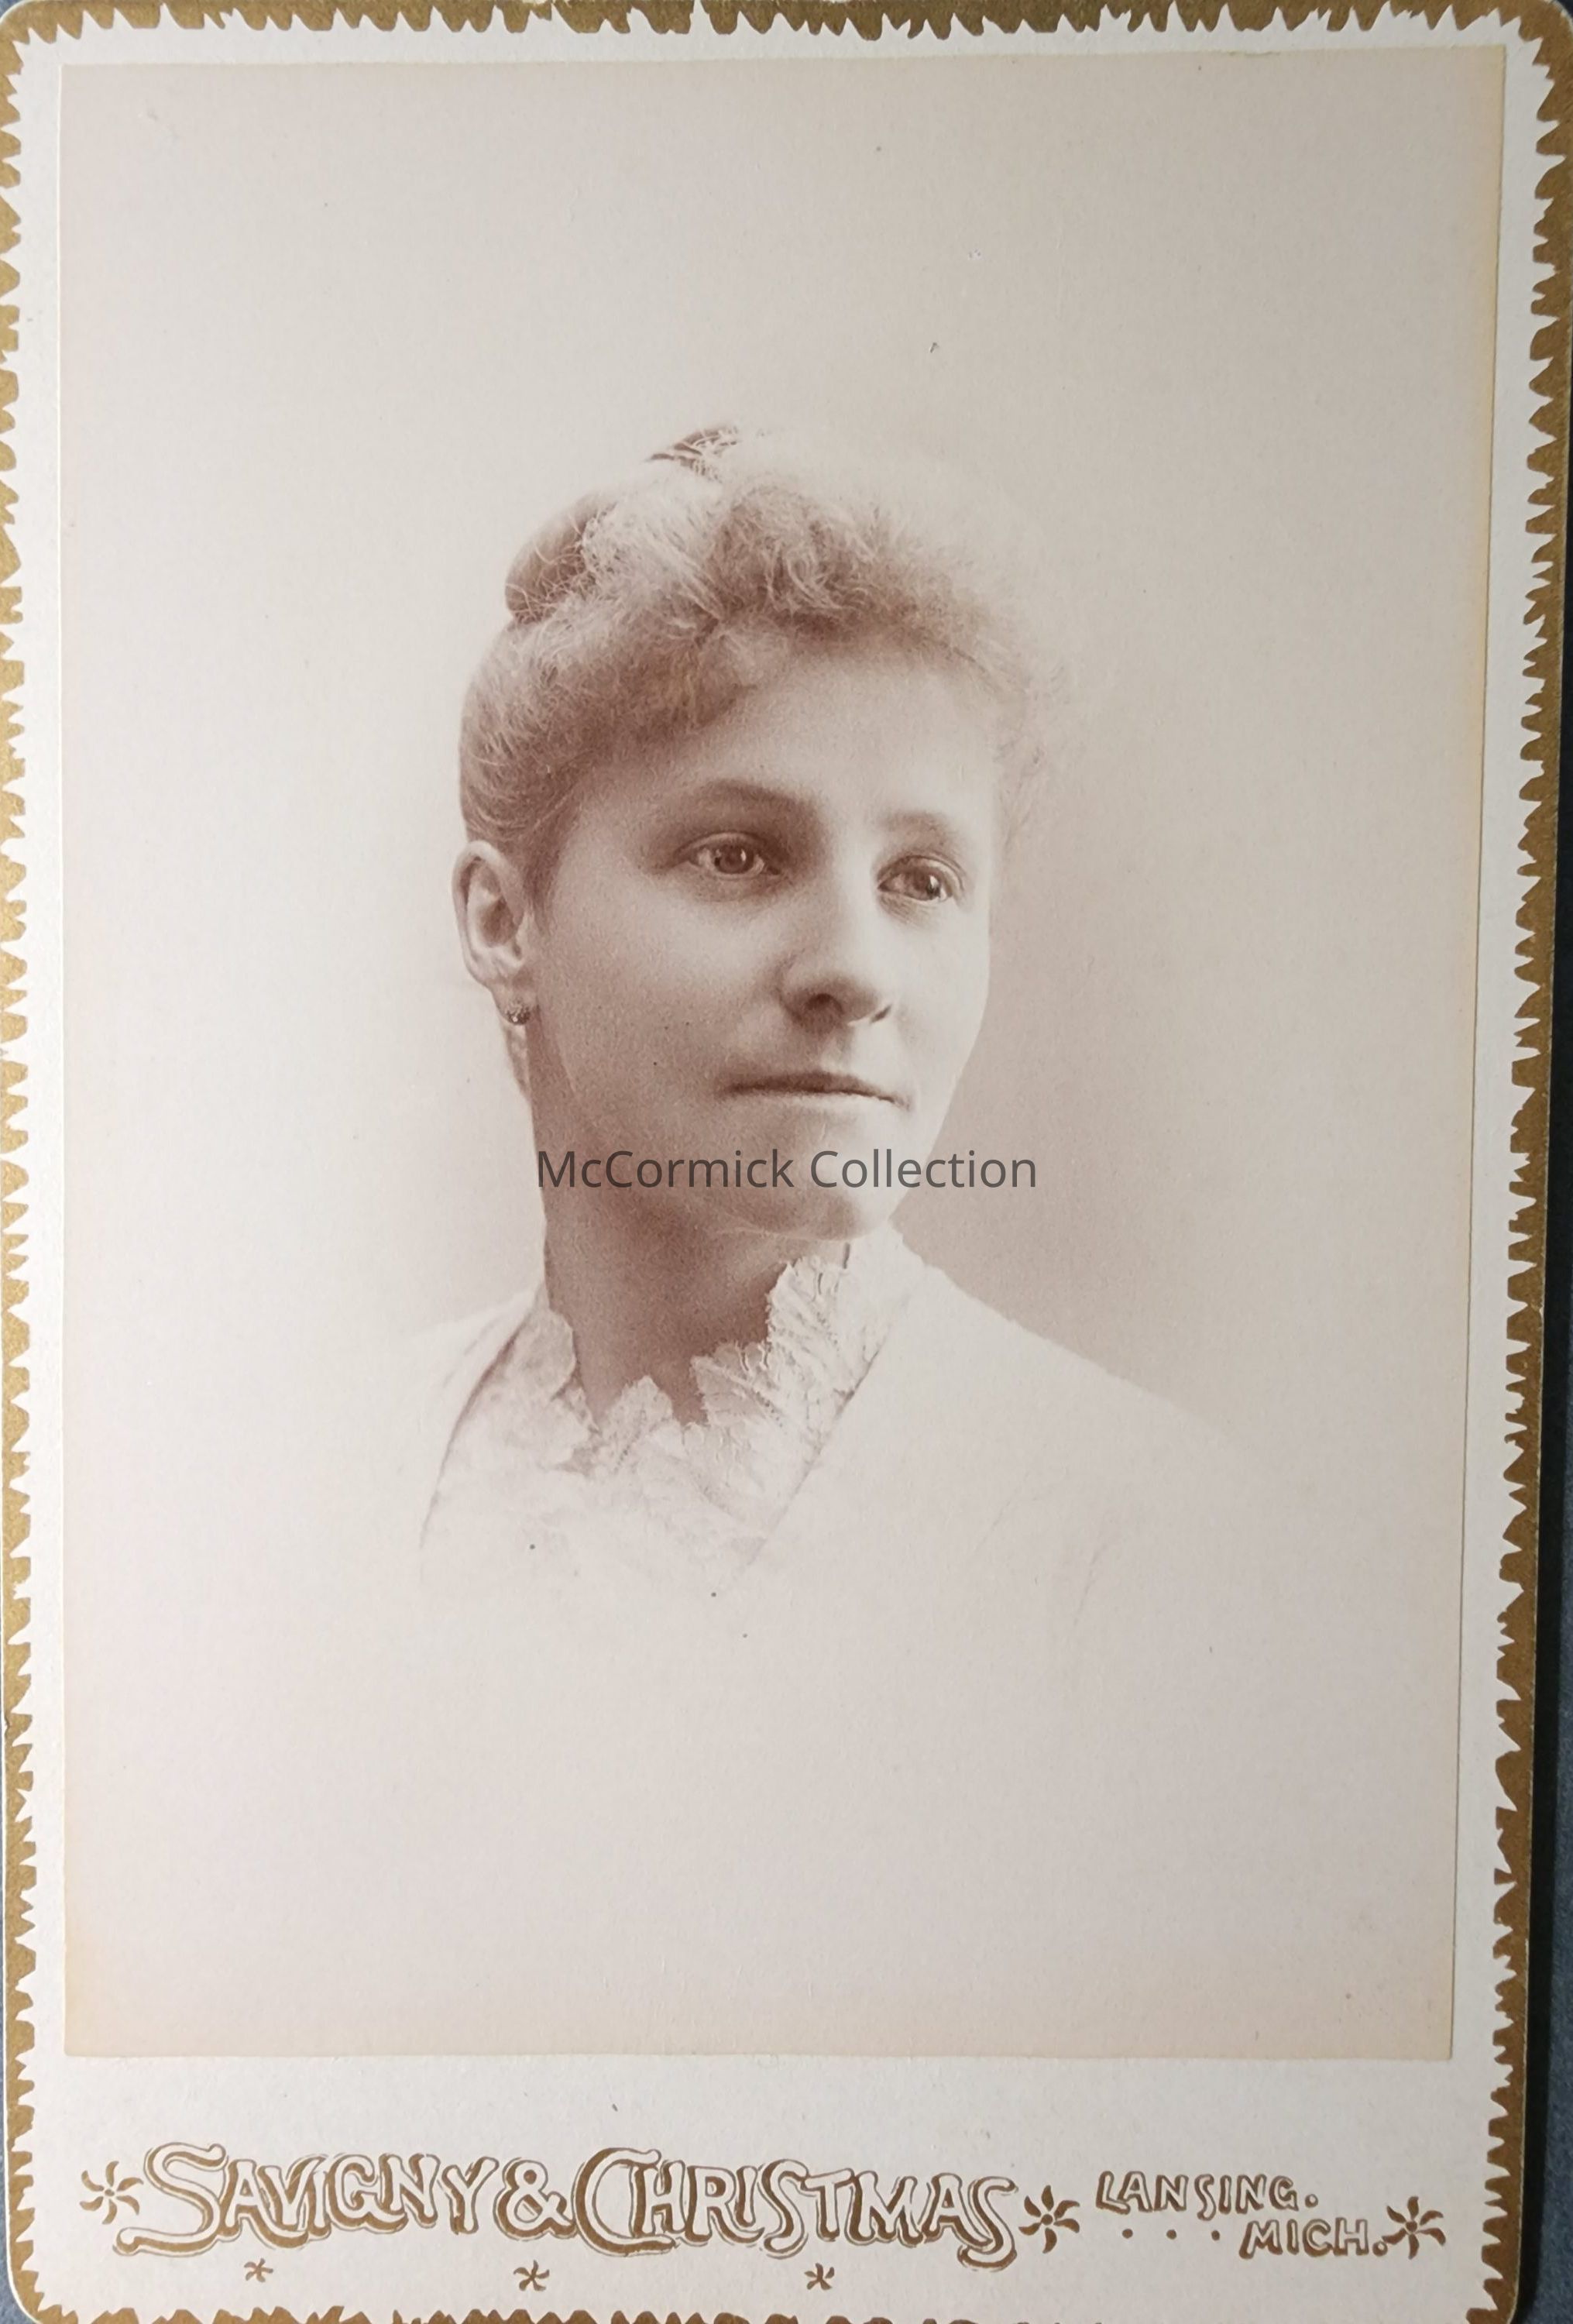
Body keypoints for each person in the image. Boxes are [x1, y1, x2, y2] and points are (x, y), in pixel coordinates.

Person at [386, 426, 1401, 2059]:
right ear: (505, 922)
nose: (855, 968)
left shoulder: (1159, 1555)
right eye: (738, 855)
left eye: (923, 878)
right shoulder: (300, 1491)